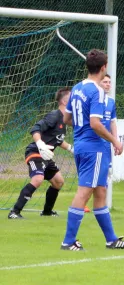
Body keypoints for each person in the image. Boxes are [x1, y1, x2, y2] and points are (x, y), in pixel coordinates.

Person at [60, 49, 124, 251]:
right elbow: (95, 123)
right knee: (84, 192)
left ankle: (111, 239)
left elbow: (67, 119)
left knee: (100, 191)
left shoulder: (76, 88)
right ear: (103, 67)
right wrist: (115, 142)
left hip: (81, 146)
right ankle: (68, 241)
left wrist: (81, 124)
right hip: (95, 148)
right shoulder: (98, 92)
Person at [8, 88, 74, 219]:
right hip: (35, 152)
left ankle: (47, 212)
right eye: (72, 97)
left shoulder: (65, 119)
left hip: (46, 156)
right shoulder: (54, 115)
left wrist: (72, 149)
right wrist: (40, 144)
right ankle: (14, 212)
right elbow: (36, 128)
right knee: (38, 179)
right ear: (64, 101)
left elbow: (58, 140)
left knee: (58, 182)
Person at [84, 74, 117, 214]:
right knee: (92, 176)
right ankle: (83, 204)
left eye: (109, 82)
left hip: (106, 145)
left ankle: (101, 205)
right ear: (99, 83)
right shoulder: (94, 99)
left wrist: (115, 140)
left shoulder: (110, 102)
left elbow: (112, 122)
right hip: (94, 143)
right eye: (105, 82)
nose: (108, 84)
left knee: (106, 174)